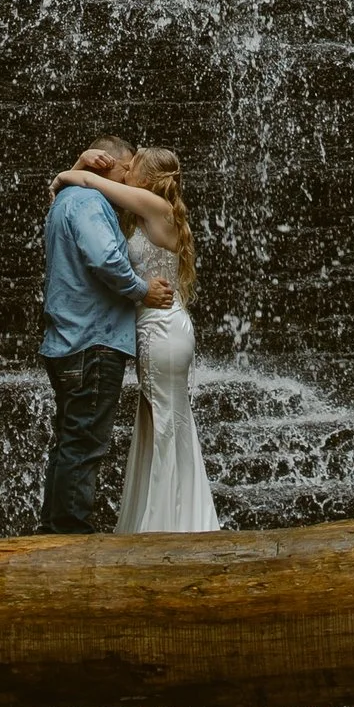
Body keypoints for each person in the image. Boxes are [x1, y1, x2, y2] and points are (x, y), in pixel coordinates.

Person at [51, 143, 219, 535]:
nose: (125, 172)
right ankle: (163, 519)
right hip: (151, 328)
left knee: (166, 419)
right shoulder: (140, 213)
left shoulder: (155, 206)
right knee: (157, 419)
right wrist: (75, 171)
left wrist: (66, 172)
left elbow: (89, 183)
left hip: (163, 328)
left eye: (132, 167)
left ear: (146, 178)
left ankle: (170, 525)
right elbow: (77, 204)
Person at [38, 135, 170, 533]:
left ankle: (52, 531)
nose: (130, 177)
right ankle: (70, 535)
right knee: (84, 445)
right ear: (105, 164)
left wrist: (74, 169)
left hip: (67, 340)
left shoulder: (66, 199)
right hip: (92, 341)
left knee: (69, 442)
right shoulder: (90, 202)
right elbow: (106, 259)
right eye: (127, 167)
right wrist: (143, 291)